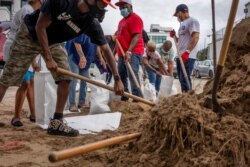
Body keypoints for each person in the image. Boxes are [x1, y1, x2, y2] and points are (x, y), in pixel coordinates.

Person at [0, 0, 124, 137]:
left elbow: (106, 50)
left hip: (52, 42)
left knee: (66, 79)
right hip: (30, 35)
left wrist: (117, 78)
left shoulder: (90, 23)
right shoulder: (62, 2)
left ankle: (56, 123)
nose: (104, 8)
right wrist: (48, 58)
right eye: (103, 4)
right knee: (7, 79)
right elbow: (40, 26)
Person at [2, 0, 42, 127]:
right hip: (19, 49)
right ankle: (16, 117)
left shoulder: (31, 10)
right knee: (19, 83)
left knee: (29, 82)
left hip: (22, 49)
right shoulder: (28, 11)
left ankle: (33, 114)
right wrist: (33, 61)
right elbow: (26, 38)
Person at [65, 34, 107, 112]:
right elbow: (77, 42)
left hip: (86, 56)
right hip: (74, 55)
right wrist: (81, 57)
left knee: (84, 79)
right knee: (74, 79)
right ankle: (72, 104)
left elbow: (96, 46)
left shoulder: (95, 31)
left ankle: (82, 102)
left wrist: (101, 58)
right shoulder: (84, 29)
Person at [115, 0, 144, 101]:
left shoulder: (135, 19)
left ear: (130, 7)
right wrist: (115, 53)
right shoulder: (121, 22)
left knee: (132, 75)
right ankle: (125, 95)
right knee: (121, 74)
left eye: (124, 6)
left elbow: (136, 36)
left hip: (133, 52)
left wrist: (129, 51)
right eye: (120, 7)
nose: (122, 9)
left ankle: (137, 98)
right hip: (121, 54)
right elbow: (118, 39)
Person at [170, 4, 200, 92]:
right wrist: (174, 36)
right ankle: (184, 99)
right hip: (180, 56)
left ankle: (188, 99)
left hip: (188, 56)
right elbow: (180, 41)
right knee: (181, 80)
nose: (177, 17)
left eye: (177, 15)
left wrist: (187, 52)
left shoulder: (192, 21)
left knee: (185, 79)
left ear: (180, 12)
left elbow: (195, 37)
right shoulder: (182, 24)